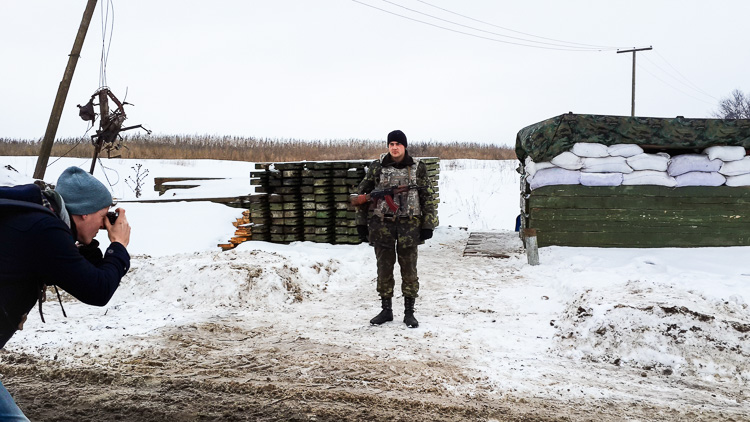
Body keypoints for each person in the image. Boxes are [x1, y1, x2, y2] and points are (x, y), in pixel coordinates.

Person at [0, 166, 131, 420]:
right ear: (82, 214)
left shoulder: (39, 216)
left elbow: (80, 270)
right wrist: (119, 247)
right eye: (103, 216)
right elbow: (97, 290)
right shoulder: (44, 231)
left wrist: (91, 242)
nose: (105, 224)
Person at [356, 130, 437, 328]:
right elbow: (362, 195)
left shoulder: (418, 167)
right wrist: (360, 223)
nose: (394, 147)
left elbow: (427, 197)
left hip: (409, 225)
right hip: (382, 225)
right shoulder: (377, 166)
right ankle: (386, 310)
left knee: (409, 269)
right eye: (391, 144)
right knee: (384, 268)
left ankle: (409, 312)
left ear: (404, 146)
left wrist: (428, 224)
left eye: (398, 144)